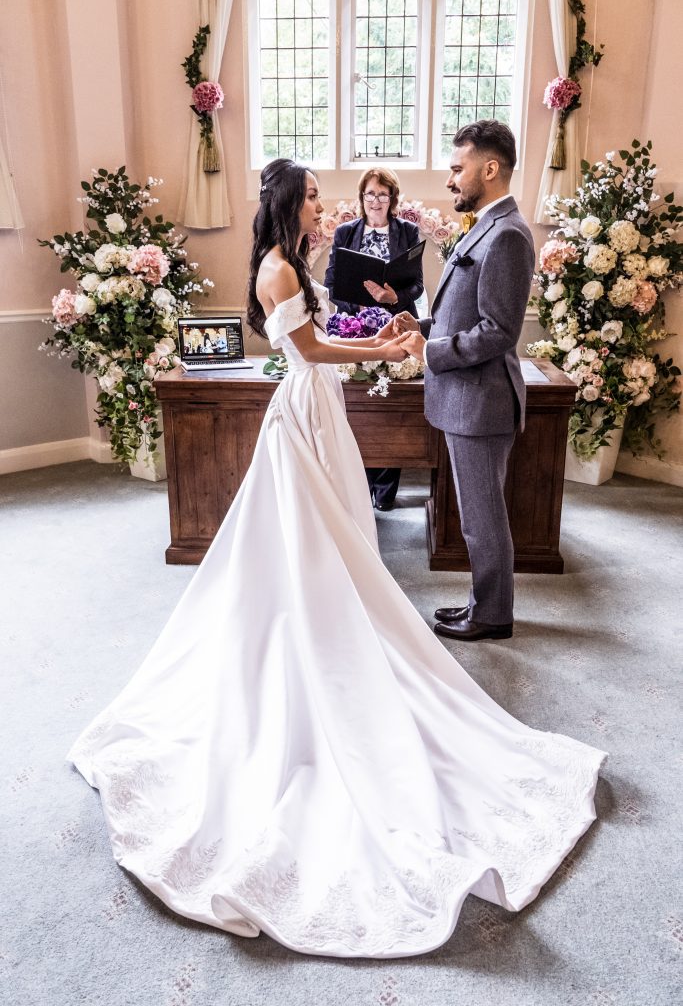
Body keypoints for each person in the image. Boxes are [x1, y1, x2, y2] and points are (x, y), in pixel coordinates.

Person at [67, 158, 605, 960]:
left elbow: (321, 340)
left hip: (315, 410)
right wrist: (387, 354)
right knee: (304, 543)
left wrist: (390, 332)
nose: (325, 202)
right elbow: (312, 352)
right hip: (305, 409)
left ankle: (328, 621)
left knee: (334, 536)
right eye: (315, 193)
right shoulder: (278, 267)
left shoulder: (295, 261)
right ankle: (309, 635)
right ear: (290, 201)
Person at [396, 120, 534, 643]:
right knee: (477, 515)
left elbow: (498, 331)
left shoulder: (509, 235)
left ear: (490, 168)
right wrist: (421, 326)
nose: (451, 180)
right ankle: (484, 602)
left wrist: (429, 351)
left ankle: (493, 615)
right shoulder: (483, 225)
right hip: (466, 399)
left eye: (458, 168)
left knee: (482, 518)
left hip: (483, 402)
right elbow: (462, 314)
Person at [324, 168, 425, 511]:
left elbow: (417, 285)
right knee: (359, 404)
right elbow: (333, 283)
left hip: (395, 324)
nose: (376, 200)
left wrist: (392, 299)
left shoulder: (408, 232)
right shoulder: (345, 232)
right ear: (361, 197)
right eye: (370, 194)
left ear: (393, 198)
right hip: (354, 326)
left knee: (391, 404)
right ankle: (358, 483)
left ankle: (385, 489)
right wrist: (359, 308)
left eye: (383, 194)